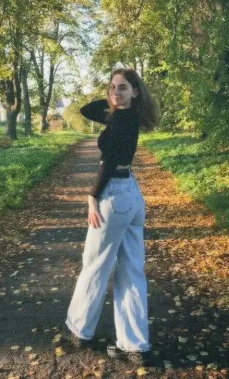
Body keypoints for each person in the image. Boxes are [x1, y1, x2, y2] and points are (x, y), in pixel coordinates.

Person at [64, 67, 160, 366]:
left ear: (136, 92)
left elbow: (108, 162)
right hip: (131, 192)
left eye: (123, 87)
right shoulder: (130, 116)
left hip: (114, 193)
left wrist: (92, 196)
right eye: (112, 87)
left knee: (96, 264)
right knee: (131, 269)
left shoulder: (119, 120)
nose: (115, 92)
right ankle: (136, 345)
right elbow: (88, 110)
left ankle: (80, 330)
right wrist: (114, 99)